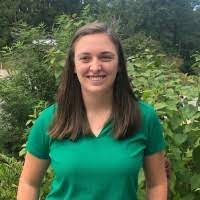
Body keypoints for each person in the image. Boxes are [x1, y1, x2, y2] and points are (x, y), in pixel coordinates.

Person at [17, 22, 167, 200]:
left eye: (105, 57)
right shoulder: (51, 119)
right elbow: (29, 183)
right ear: (73, 65)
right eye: (85, 58)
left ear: (119, 64)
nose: (95, 67)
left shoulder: (144, 117)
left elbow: (157, 184)